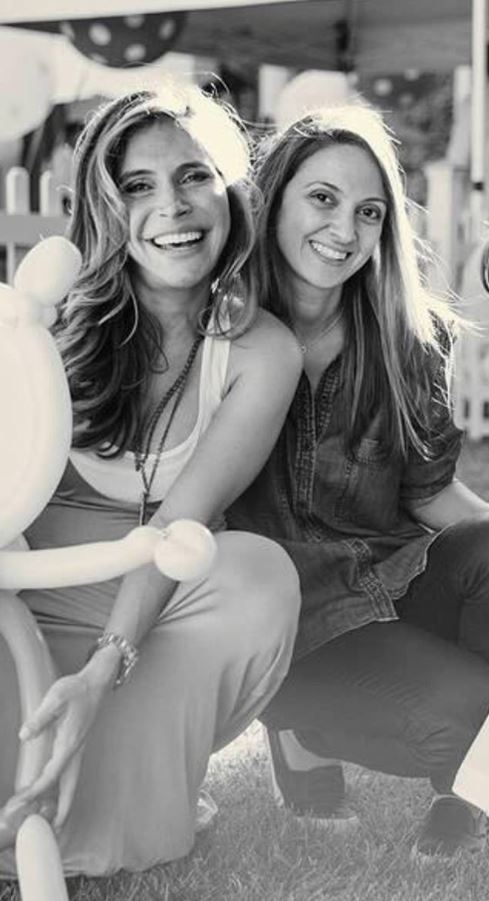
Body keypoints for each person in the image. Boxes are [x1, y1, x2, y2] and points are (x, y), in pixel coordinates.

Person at [0, 82, 303, 875]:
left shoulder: (262, 352)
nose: (172, 206)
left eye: (194, 176)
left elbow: (182, 522)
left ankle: (121, 797)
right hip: (28, 597)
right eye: (138, 186)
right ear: (106, 209)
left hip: (146, 615)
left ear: (231, 192)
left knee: (253, 574)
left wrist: (105, 667)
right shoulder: (49, 331)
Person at [228, 102, 489, 858]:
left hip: (394, 580)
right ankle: (302, 732)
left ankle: (460, 797)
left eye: (367, 212)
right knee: (465, 716)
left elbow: (431, 492)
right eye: (321, 199)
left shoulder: (408, 337)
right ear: (272, 199)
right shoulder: (222, 338)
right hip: (292, 626)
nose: (344, 230)